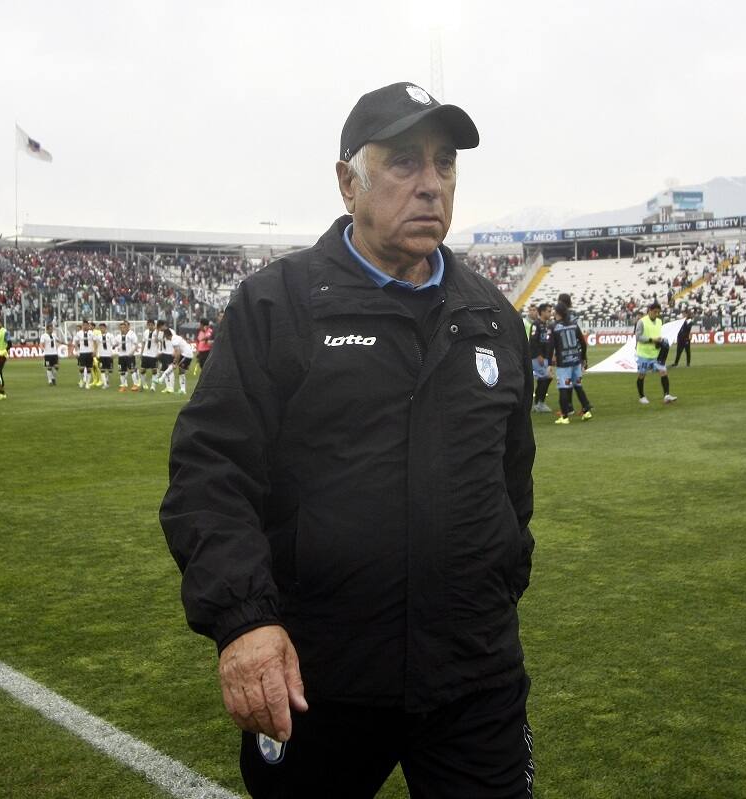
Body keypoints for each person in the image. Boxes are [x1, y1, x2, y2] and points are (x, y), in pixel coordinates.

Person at [160, 81, 536, 798]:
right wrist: (244, 621)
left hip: (473, 673)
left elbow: (512, 480)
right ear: (347, 182)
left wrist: (498, 580)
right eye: (404, 161)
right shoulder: (279, 305)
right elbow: (210, 472)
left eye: (445, 162)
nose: (431, 184)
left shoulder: (492, 316)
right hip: (317, 678)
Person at [550, 301, 592, 424]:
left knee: (563, 388)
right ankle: (587, 410)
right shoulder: (574, 325)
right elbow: (583, 343)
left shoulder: (554, 327)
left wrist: (549, 363)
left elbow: (551, 346)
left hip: (563, 363)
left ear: (557, 313)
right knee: (578, 386)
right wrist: (583, 358)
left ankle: (564, 416)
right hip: (575, 361)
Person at [634, 301, 678, 405]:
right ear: (649, 311)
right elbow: (638, 337)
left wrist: (660, 341)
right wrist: (652, 340)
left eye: (658, 312)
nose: (657, 314)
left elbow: (657, 334)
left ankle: (666, 396)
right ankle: (642, 396)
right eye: (655, 312)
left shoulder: (659, 321)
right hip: (644, 354)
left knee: (663, 371)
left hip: (656, 354)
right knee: (642, 375)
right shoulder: (641, 322)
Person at [530, 302, 554, 413]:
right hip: (536, 357)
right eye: (548, 311)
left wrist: (550, 356)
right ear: (542, 312)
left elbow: (548, 343)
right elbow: (533, 341)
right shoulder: (536, 324)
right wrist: (538, 355)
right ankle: (540, 404)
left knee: (543, 379)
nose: (550, 313)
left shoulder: (546, 325)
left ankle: (537, 404)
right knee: (546, 377)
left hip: (544, 357)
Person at [161, 327, 194, 395]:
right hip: (186, 354)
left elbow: (178, 353)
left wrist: (176, 362)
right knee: (181, 371)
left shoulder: (174, 341)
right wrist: (175, 360)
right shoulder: (175, 337)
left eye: (164, 335)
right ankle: (182, 389)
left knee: (178, 369)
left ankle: (161, 379)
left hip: (186, 355)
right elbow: (178, 351)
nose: (164, 337)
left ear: (166, 335)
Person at [116, 320, 140, 392]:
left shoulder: (132, 334)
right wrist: (115, 346)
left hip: (129, 356)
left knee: (132, 370)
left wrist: (132, 352)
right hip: (121, 356)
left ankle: (135, 385)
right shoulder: (118, 336)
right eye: (121, 328)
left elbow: (136, 344)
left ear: (127, 327)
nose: (122, 329)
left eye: (124, 327)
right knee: (122, 372)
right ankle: (123, 386)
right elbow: (115, 344)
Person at [71, 321, 95, 389]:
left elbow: (95, 342)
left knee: (89, 369)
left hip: (89, 353)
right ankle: (81, 381)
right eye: (84, 325)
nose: (85, 326)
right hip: (82, 353)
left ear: (88, 326)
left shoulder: (91, 333)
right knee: (81, 368)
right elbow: (75, 342)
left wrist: (94, 351)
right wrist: (76, 351)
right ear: (82, 326)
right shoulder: (79, 333)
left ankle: (87, 383)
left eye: (86, 325)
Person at [137, 318, 158, 392]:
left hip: (154, 355)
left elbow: (159, 342)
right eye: (149, 325)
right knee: (142, 370)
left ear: (154, 325)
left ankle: (153, 387)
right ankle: (143, 385)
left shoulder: (157, 333)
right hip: (145, 354)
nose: (150, 326)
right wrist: (141, 353)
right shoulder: (145, 332)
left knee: (154, 371)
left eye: (151, 325)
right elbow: (143, 343)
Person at [97, 322, 115, 389]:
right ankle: (105, 384)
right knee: (102, 370)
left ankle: (107, 380)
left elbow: (113, 345)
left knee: (110, 370)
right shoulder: (98, 337)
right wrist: (97, 354)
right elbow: (97, 345)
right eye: (100, 328)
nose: (101, 329)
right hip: (101, 355)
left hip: (109, 355)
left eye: (102, 328)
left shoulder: (110, 335)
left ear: (105, 328)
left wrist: (113, 353)